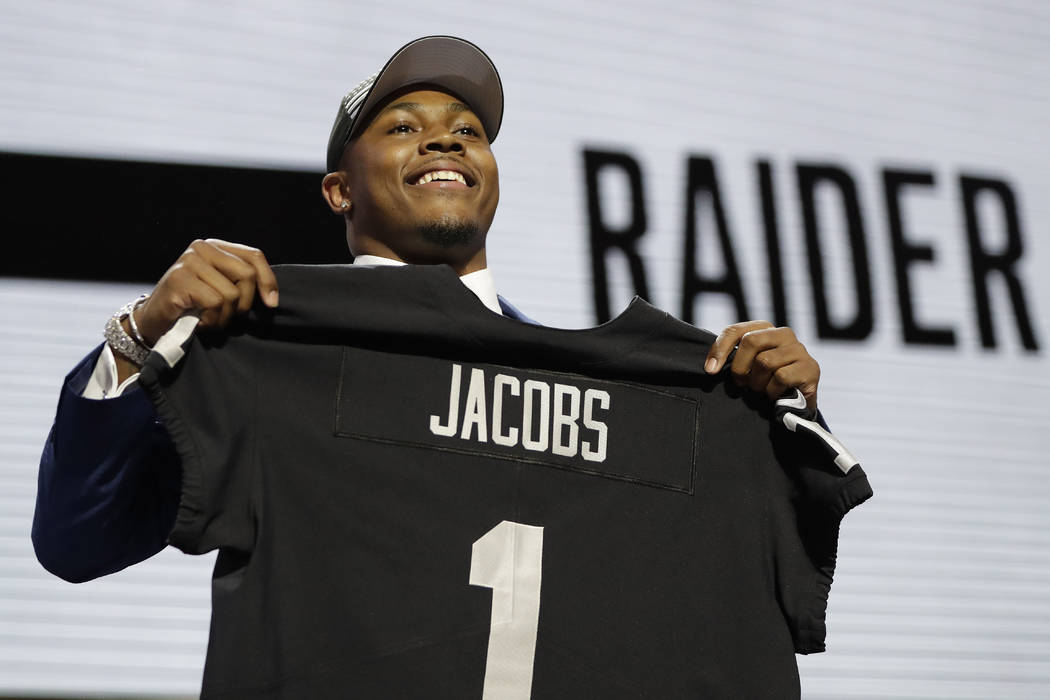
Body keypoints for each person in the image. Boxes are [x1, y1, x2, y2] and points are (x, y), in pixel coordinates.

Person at [34, 36, 821, 584]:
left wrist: (778, 425)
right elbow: (78, 540)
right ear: (340, 190)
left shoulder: (607, 388)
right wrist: (137, 339)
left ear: (492, 174)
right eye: (405, 127)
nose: (444, 142)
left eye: (468, 131)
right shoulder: (262, 352)